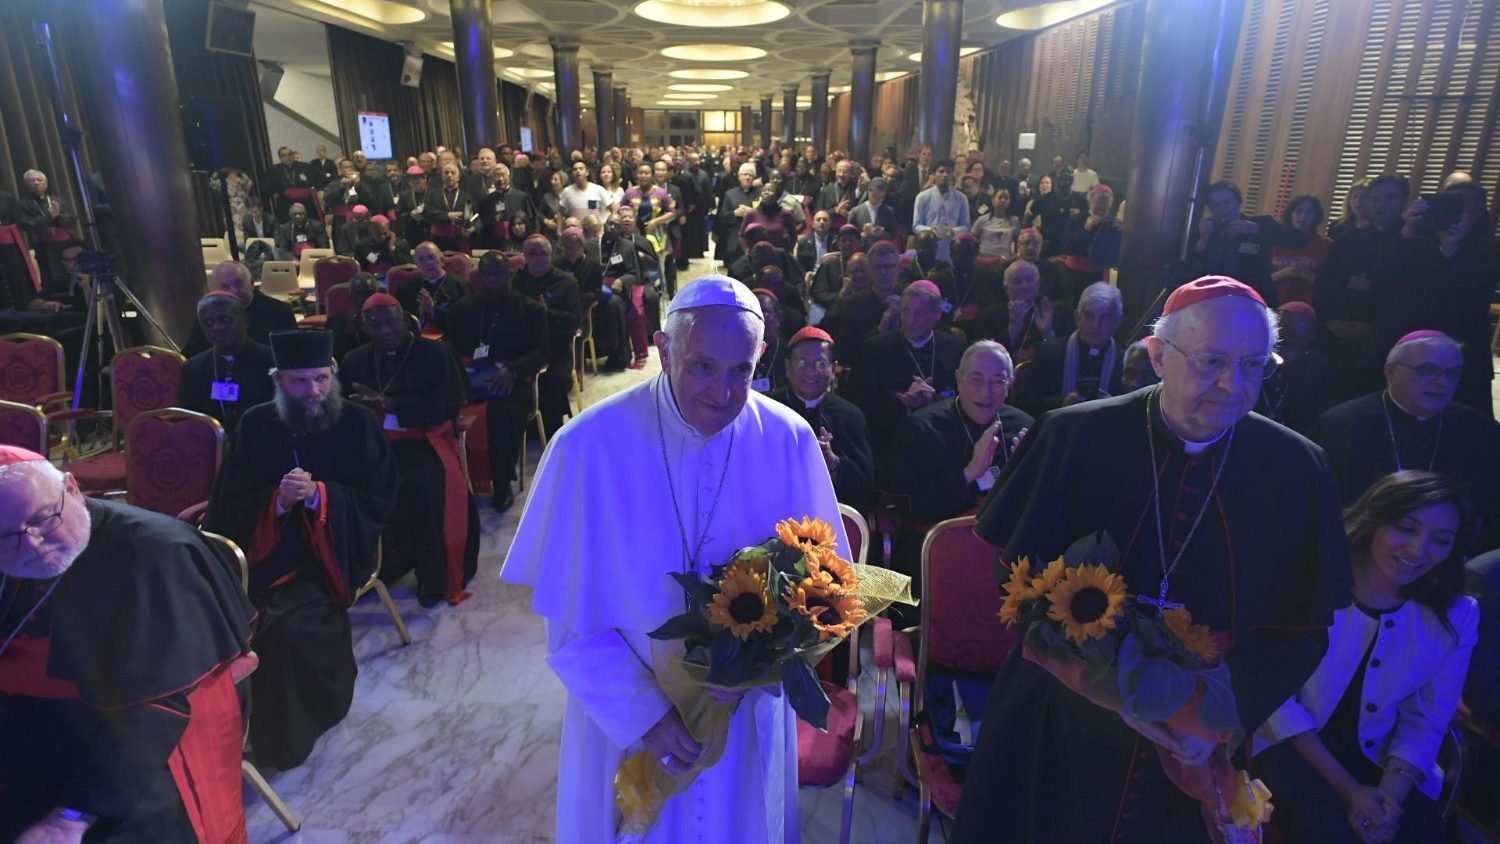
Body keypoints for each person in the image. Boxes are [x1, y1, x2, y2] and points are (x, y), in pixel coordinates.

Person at [952, 276, 1352, 844]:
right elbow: (1014, 582)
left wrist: (1212, 717)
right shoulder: (1071, 436)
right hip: (1056, 720)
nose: (1233, 385)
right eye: (1212, 361)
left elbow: (1300, 629)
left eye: (1254, 365)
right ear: (1159, 355)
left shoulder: (1298, 469)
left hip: (1192, 747)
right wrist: (1104, 687)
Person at [502, 275, 845, 843]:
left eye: (741, 371)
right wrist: (648, 717)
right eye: (703, 367)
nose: (723, 393)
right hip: (627, 724)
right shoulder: (588, 446)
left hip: (740, 721)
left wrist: (760, 668)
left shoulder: (788, 439)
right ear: (664, 350)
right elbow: (567, 621)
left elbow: (826, 590)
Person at [0, 448, 254, 844]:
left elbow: (161, 705)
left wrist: (72, 816)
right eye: (5, 536)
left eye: (44, 519)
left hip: (136, 743)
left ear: (72, 488)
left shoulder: (158, 553)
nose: (31, 545)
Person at [204, 329, 396, 769]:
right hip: (261, 550)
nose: (313, 391)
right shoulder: (256, 424)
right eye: (300, 381)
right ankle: (224, 732)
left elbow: (380, 499)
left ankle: (287, 739)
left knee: (283, 632)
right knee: (217, 619)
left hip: (331, 553)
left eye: (321, 378)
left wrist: (319, 498)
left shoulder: (358, 423)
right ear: (277, 381)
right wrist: (278, 502)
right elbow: (228, 501)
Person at [1252, 471, 1478, 844]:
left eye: (1441, 540)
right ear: (1375, 518)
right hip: (1290, 743)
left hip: (1385, 759)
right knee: (1323, 828)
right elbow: (1273, 694)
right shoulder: (1307, 577)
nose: (1418, 550)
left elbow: (1427, 718)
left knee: (1422, 834)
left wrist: (1389, 799)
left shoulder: (1457, 613)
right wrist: (1350, 791)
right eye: (1406, 528)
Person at [342, 295, 479, 607]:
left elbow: (447, 407)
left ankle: (433, 576)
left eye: (392, 322)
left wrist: (392, 405)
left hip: (423, 440)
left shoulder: (436, 353)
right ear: (365, 328)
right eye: (376, 325)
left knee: (420, 487)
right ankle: (380, 568)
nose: (385, 330)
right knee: (348, 488)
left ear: (405, 320)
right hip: (374, 444)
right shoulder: (354, 361)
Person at [1312, 330, 1500, 550]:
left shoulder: (1481, 429)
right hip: (1358, 551)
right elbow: (1319, 502)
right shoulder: (1342, 424)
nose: (1442, 382)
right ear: (1390, 371)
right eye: (1427, 370)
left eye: (1452, 373)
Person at [1384, 180, 1499, 418]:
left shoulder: (1490, 249)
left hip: (1464, 339)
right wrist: (1406, 230)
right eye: (1450, 201)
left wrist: (1451, 249)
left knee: (1464, 418)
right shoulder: (1420, 242)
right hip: (1414, 334)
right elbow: (1390, 277)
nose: (1459, 207)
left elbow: (1474, 291)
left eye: (1466, 202)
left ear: (1480, 208)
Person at [445, 253, 549, 512]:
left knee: (501, 416)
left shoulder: (530, 309)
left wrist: (512, 369)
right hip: (469, 380)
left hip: (513, 380)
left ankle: (501, 483)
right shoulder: (463, 308)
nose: (493, 280)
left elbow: (542, 353)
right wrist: (463, 367)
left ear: (509, 275)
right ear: (479, 277)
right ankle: (458, 483)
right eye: (487, 275)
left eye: (499, 274)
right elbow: (448, 348)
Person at [892, 339, 1032, 531]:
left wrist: (1029, 474)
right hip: (944, 541)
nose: (986, 393)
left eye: (997, 381)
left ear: (1010, 384)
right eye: (976, 380)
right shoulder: (921, 428)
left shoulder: (1025, 427)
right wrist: (970, 473)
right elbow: (913, 510)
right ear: (959, 380)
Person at [1314, 175, 1410, 403]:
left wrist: (1373, 328)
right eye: (1375, 199)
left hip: (1380, 341)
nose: (1381, 205)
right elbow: (1325, 282)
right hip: (1335, 331)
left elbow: (1406, 296)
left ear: (1404, 201)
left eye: (1389, 198)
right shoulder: (1349, 238)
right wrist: (1330, 319)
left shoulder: (1414, 243)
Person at [852, 280, 965, 467]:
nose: (911, 320)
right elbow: (860, 402)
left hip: (942, 440)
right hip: (890, 443)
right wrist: (902, 403)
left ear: (937, 314)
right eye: (906, 311)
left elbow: (964, 398)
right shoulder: (875, 349)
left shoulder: (955, 347)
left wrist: (932, 400)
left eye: (919, 313)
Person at [770, 326, 876, 510]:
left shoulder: (849, 415)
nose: (811, 371)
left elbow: (865, 486)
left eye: (820, 364)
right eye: (803, 363)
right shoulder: (767, 409)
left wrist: (833, 463)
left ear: (833, 369)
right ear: (787, 367)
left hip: (831, 516)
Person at [1011, 281, 1124, 416]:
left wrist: (1113, 407)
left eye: (1105, 317)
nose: (1095, 325)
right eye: (1089, 316)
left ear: (1117, 321)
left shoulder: (1124, 361)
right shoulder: (1048, 353)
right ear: (1077, 317)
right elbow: (1025, 402)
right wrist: (1062, 404)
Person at [1193, 181, 1310, 305]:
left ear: (1238, 202)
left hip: (1252, 300)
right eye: (1216, 205)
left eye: (1227, 202)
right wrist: (1204, 238)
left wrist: (1255, 229)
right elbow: (1193, 267)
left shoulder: (1259, 223)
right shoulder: (1207, 229)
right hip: (1214, 300)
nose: (1222, 208)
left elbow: (1300, 240)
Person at [179, 291, 275, 435]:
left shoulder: (271, 360)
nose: (216, 328)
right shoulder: (193, 369)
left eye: (225, 320)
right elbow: (189, 421)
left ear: (245, 321)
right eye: (208, 322)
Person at [514, 234, 581, 434]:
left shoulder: (567, 283)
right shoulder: (516, 283)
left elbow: (573, 321)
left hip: (556, 346)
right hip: (523, 346)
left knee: (554, 381)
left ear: (551, 255)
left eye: (542, 253)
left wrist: (545, 314)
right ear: (524, 256)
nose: (538, 258)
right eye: (532, 254)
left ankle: (553, 433)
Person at [183, 260, 297, 357]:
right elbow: (192, 354)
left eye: (238, 283)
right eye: (225, 287)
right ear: (213, 290)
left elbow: (293, 355)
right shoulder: (209, 315)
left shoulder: (280, 311)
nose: (234, 290)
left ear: (252, 283)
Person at [1255, 301, 1331, 436]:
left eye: (1298, 344)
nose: (1291, 350)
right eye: (1287, 341)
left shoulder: (1315, 365)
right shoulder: (1255, 358)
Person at [824, 240, 903, 368]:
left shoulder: (910, 301)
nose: (883, 273)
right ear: (869, 270)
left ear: (898, 269)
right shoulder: (851, 305)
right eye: (878, 267)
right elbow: (845, 353)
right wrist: (881, 329)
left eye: (888, 267)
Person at [15, 170, 77, 292]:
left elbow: (72, 220)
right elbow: (27, 225)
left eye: (39, 180)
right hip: (45, 247)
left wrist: (56, 218)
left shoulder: (57, 200)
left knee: (73, 277)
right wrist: (49, 216)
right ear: (25, 184)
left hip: (66, 245)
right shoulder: (21, 204)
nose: (36, 183)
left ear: (46, 183)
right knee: (52, 281)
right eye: (32, 180)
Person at [1270, 194, 1333, 306]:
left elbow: (1330, 284)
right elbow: (1260, 280)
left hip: (1309, 306)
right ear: (1290, 213)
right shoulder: (1273, 242)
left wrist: (1308, 276)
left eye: (1309, 212)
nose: (1303, 216)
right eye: (1299, 211)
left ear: (1315, 216)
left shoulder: (1325, 244)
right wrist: (1284, 273)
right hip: (1273, 302)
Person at [396, 241, 470, 332]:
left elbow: (466, 317)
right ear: (417, 265)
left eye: (431, 257)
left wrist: (433, 311)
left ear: (442, 260)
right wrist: (420, 313)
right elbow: (401, 319)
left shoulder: (460, 284)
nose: (428, 263)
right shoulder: (406, 288)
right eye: (421, 259)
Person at [912, 159, 969, 262]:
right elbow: (916, 226)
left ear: (953, 174)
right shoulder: (922, 197)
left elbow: (966, 226)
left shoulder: (961, 198)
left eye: (949, 172)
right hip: (928, 247)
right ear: (934, 174)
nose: (945, 175)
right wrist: (930, 230)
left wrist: (953, 231)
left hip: (952, 249)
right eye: (941, 171)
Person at [423, 163, 476, 253]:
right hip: (438, 239)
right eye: (446, 173)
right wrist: (446, 215)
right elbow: (426, 212)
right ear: (442, 177)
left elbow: (475, 217)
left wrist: (473, 228)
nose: (449, 175)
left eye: (453, 173)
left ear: (458, 177)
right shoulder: (432, 195)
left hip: (459, 239)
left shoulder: (467, 197)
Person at [264, 146, 315, 222]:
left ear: (293, 155)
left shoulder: (305, 166)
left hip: (305, 202)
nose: (287, 157)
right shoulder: (274, 170)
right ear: (280, 158)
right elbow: (268, 189)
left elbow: (313, 183)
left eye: (289, 154)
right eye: (284, 155)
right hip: (285, 203)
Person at [559, 160, 610, 229]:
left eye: (581, 168)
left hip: (595, 231)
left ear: (587, 172)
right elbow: (560, 212)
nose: (578, 171)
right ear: (572, 174)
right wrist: (559, 230)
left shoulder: (598, 189)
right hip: (576, 232)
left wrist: (604, 223)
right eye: (575, 169)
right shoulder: (567, 191)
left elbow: (613, 208)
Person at [848, 176, 897, 243]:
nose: (877, 194)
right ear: (868, 191)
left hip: (881, 247)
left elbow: (892, 234)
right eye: (872, 191)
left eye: (880, 191)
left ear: (884, 194)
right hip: (862, 247)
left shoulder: (889, 211)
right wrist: (863, 234)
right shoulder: (856, 211)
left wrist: (882, 233)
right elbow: (849, 234)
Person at [796, 210, 836, 274]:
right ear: (813, 224)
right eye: (818, 220)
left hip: (831, 276)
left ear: (830, 224)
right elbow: (799, 266)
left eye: (825, 220)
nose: (822, 222)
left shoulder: (836, 241)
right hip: (811, 276)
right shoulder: (803, 242)